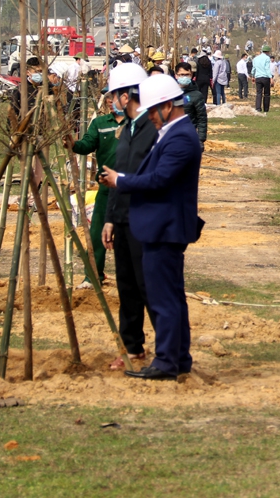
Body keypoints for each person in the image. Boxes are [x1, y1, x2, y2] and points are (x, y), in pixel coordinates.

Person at [99, 75, 203, 380]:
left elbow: (160, 180)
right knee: (171, 298)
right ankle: (178, 358)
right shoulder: (171, 133)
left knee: (163, 300)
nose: (151, 118)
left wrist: (120, 181)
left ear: (167, 107)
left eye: (153, 111)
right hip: (161, 226)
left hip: (165, 228)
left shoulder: (180, 137)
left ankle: (167, 361)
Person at [101, 63, 158, 369]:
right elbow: (117, 175)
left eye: (114, 96)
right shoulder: (127, 129)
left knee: (149, 286)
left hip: (145, 218)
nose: (112, 102)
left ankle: (168, 349)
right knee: (126, 287)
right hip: (122, 218)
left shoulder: (153, 128)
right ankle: (132, 346)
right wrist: (110, 218)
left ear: (127, 96)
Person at [72, 89, 123, 288]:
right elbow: (86, 145)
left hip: (131, 187)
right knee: (97, 233)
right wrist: (73, 144)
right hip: (106, 187)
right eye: (108, 98)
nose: (111, 101)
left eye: (115, 97)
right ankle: (93, 276)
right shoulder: (100, 123)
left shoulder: (138, 124)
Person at [174, 62, 208, 145]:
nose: (184, 77)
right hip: (172, 135)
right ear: (176, 75)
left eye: (187, 74)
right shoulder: (170, 93)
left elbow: (202, 118)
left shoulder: (197, 95)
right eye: (182, 74)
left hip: (189, 136)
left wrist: (201, 140)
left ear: (191, 75)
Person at [251, 44, 273, 113]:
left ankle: (258, 108)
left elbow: (253, 69)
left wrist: (253, 76)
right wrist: (271, 77)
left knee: (259, 93)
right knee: (266, 94)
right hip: (265, 77)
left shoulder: (255, 58)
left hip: (258, 77)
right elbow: (267, 68)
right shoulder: (267, 58)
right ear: (268, 52)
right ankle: (266, 109)